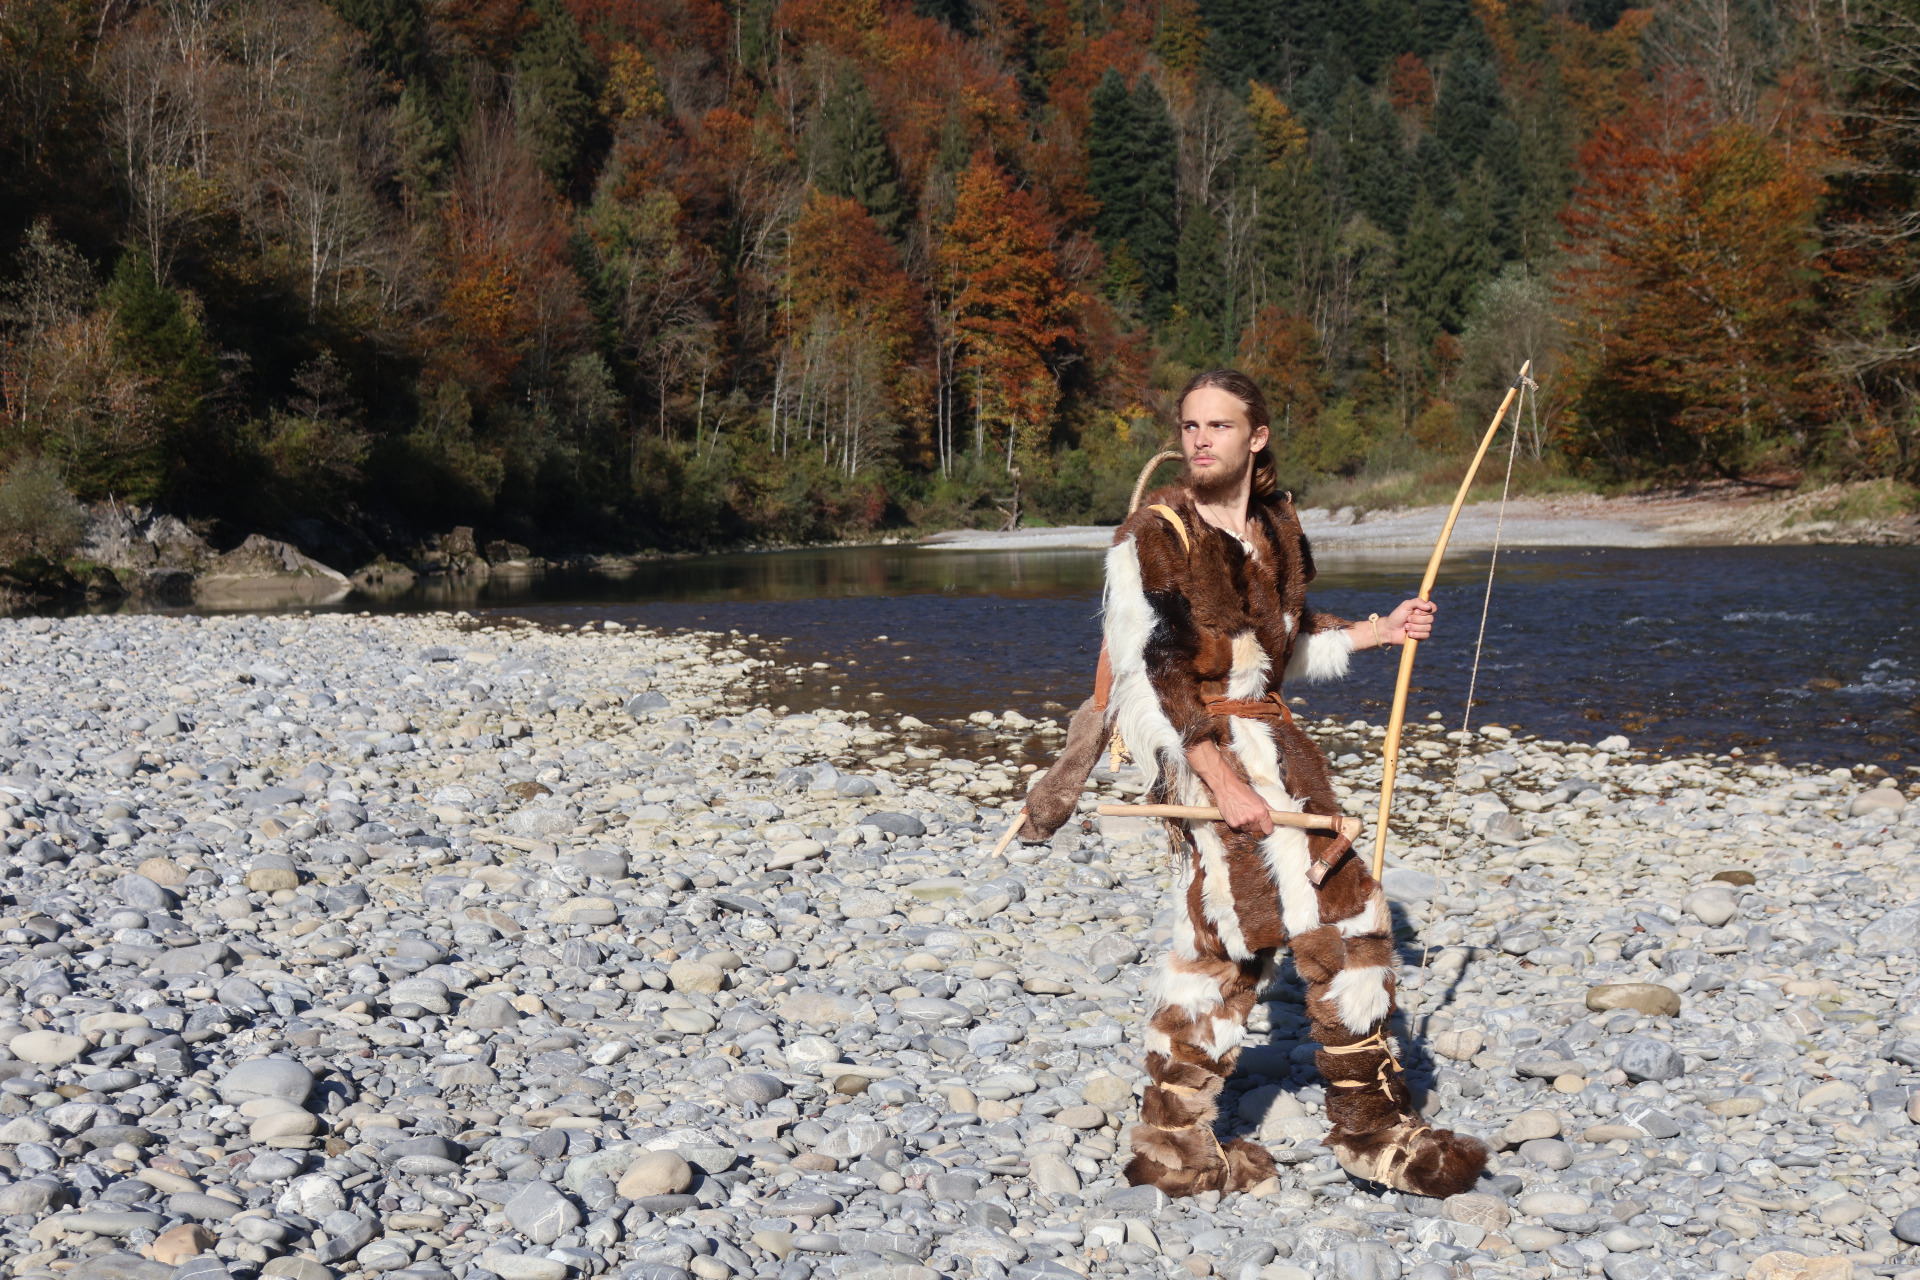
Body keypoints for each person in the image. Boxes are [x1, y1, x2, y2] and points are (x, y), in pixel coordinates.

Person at [1100, 368, 1489, 1198]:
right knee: (1333, 919)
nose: (1201, 439)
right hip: (1210, 749)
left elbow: (1281, 638)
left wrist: (1377, 632)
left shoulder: (1275, 523)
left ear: (1257, 438)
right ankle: (1370, 1131)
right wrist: (1220, 780)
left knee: (1227, 938)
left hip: (1276, 740)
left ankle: (1174, 1145)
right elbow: (1159, 673)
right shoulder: (1156, 533)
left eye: (1220, 426)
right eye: (1191, 425)